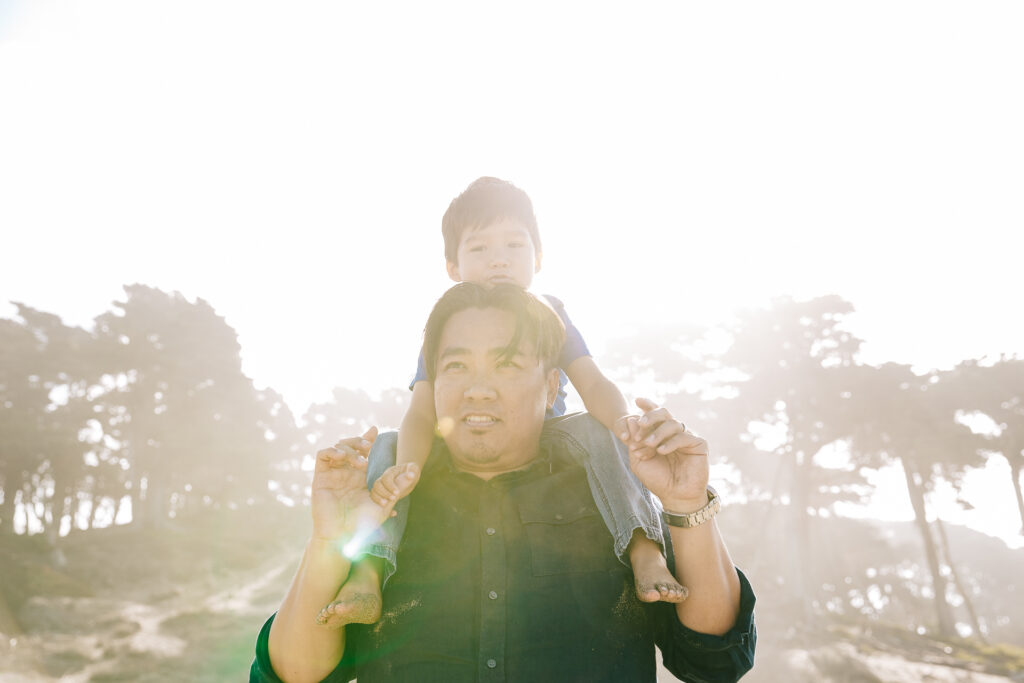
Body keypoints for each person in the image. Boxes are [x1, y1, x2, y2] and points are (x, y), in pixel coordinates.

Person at [250, 283, 756, 682]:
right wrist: (327, 542)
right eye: (456, 366)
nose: (478, 388)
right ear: (433, 385)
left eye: (507, 363)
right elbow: (295, 677)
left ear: (552, 384)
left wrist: (687, 504)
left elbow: (714, 662)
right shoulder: (384, 502)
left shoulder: (609, 490)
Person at [329, 177, 683, 627]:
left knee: (601, 430)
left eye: (514, 245)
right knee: (389, 445)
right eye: (478, 249)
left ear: (538, 257)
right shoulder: (449, 321)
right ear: (452, 267)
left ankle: (644, 550)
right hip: (463, 431)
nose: (498, 259)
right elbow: (422, 409)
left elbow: (593, 382)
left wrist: (627, 425)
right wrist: (407, 468)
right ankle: (366, 571)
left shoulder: (547, 311)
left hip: (550, 432)